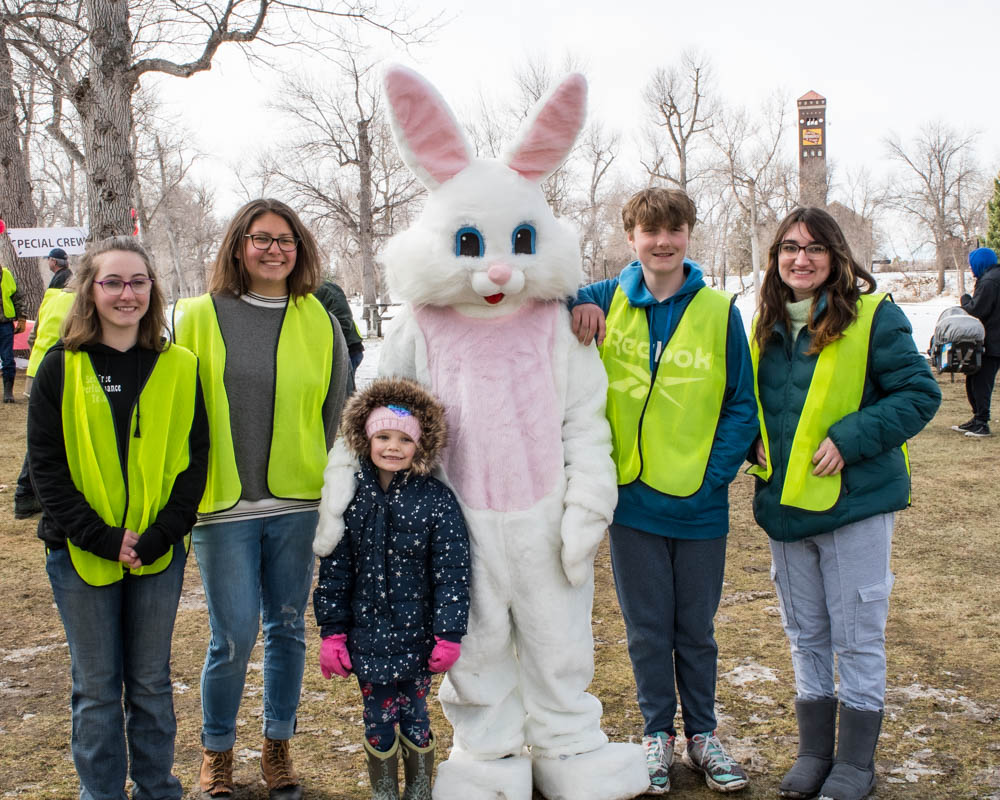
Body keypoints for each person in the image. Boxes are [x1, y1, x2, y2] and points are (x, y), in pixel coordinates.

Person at [748, 207, 940, 800]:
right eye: (787, 247)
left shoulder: (874, 319)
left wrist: (850, 439)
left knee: (856, 635)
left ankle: (856, 762)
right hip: (786, 509)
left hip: (854, 506)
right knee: (805, 633)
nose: (799, 259)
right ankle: (814, 752)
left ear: (836, 256)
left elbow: (920, 393)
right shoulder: (766, 324)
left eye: (813, 248)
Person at [571, 187, 758, 794]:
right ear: (631, 238)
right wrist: (574, 300)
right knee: (647, 627)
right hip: (633, 501)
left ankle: (703, 734)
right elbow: (540, 295)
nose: (663, 241)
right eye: (650, 232)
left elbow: (740, 405)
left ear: (688, 235)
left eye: (674, 230)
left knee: (695, 628)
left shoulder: (716, 309)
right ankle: (657, 735)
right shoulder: (603, 300)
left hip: (699, 504)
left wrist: (715, 474)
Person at [172, 198, 351, 800]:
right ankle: (216, 752)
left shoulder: (318, 319)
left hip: (297, 503)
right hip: (221, 505)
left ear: (299, 250)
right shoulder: (194, 315)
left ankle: (278, 746)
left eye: (287, 240)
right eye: (262, 238)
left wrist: (333, 492)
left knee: (286, 629)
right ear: (238, 245)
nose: (275, 249)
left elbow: (338, 407)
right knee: (233, 634)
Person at [28, 236, 209, 800]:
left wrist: (158, 537)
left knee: (152, 684)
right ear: (90, 289)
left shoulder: (180, 366)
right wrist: (103, 538)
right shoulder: (61, 366)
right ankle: (101, 793)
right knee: (97, 689)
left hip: (158, 553)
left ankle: (159, 789)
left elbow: (194, 461)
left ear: (152, 290)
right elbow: (47, 470)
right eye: (113, 282)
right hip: (81, 552)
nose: (126, 294)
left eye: (138, 282)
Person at [313, 377, 470, 800]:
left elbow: (452, 569)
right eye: (383, 436)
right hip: (366, 639)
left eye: (404, 439)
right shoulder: (351, 495)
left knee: (417, 717)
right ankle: (385, 794)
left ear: (420, 445)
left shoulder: (435, 499)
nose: (393, 447)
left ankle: (418, 792)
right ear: (366, 437)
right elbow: (336, 569)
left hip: (418, 639)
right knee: (378, 722)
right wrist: (332, 631)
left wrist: (449, 633)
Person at [13, 286, 76, 519]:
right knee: (48, 438)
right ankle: (25, 495)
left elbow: (33, 337)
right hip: (60, 375)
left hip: (37, 370)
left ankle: (26, 496)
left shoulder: (51, 297)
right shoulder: (86, 302)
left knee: (42, 436)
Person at [952, 246, 999, 438]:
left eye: (972, 266)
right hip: (992, 340)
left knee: (980, 381)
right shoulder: (993, 278)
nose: (971, 270)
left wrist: (964, 302)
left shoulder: (989, 282)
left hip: (991, 341)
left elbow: (976, 310)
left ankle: (981, 423)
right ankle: (977, 419)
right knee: (973, 378)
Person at [314, 278, 365, 374]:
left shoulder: (326, 289)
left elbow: (343, 322)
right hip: (327, 353)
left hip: (347, 350)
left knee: (342, 388)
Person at [1, 262, 27, 402]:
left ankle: (8, 393)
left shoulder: (7, 275)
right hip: (5, 325)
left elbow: (18, 298)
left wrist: (22, 318)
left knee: (8, 359)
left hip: (4, 324)